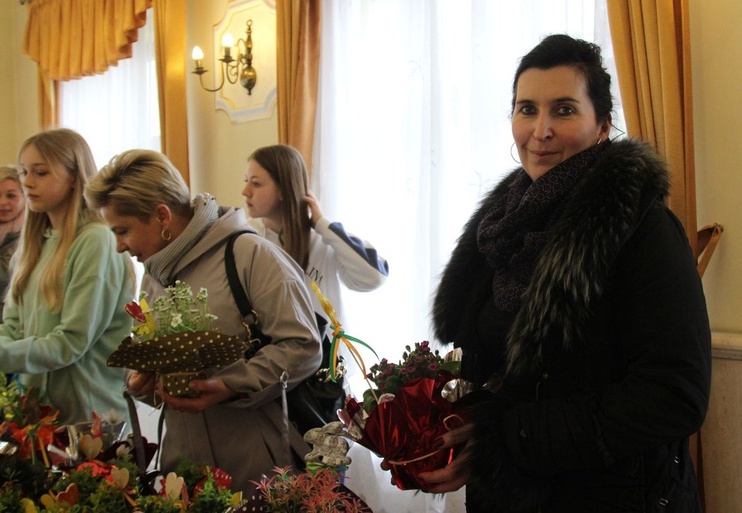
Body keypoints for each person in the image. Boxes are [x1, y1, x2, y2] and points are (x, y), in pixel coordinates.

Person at [424, 34, 711, 512]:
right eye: (526, 109)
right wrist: (461, 433)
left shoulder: (640, 228)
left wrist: (509, 435)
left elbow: (675, 395)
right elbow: (504, 373)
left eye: (563, 110)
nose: (540, 130)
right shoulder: (501, 227)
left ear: (603, 125)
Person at [84, 149, 322, 495]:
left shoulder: (250, 255)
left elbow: (304, 347)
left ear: (162, 216)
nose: (119, 246)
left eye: (123, 231)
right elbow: (141, 353)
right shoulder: (154, 273)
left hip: (257, 465)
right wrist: (140, 383)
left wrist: (231, 384)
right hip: (182, 468)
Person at [0, 128, 133, 425]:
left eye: (40, 173)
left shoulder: (96, 241)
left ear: (73, 177)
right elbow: (15, 329)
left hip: (91, 417)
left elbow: (70, 343)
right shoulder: (35, 243)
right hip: (40, 416)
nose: (27, 182)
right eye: (24, 172)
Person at [243, 144, 389, 320]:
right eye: (246, 181)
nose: (245, 192)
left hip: (324, 346)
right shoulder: (245, 237)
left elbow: (374, 277)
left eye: (256, 183)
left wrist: (323, 225)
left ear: (284, 189)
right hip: (269, 346)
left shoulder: (324, 238)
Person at [0, 166, 25, 326]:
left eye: (11, 196)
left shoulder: (27, 237)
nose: (2, 202)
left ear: (24, 197)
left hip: (6, 326)